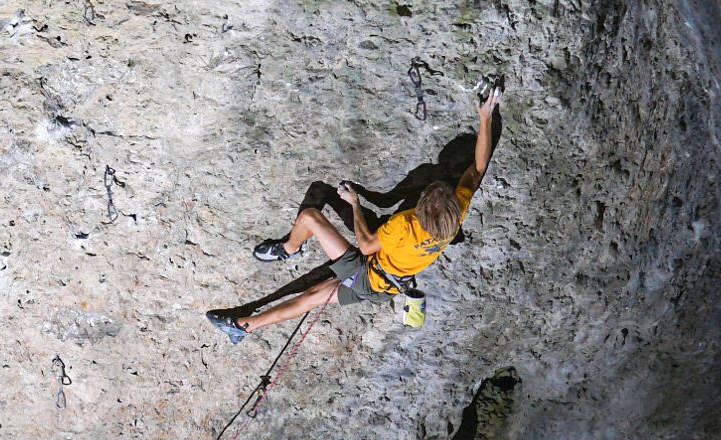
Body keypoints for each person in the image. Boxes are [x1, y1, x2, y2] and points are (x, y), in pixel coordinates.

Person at [207, 82, 503, 344]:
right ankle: (243, 327)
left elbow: (365, 244)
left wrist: (355, 203)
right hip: (385, 288)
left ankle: (290, 248)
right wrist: (485, 118)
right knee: (312, 297)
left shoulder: (405, 223)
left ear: (421, 206)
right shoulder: (456, 214)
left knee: (310, 217)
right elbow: (478, 169)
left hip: (367, 274)